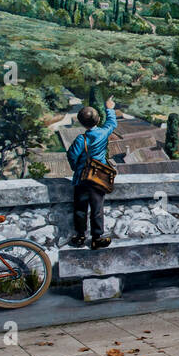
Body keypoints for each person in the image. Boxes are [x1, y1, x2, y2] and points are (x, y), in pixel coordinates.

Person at [67, 95, 117, 249]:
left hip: (82, 179)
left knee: (80, 208)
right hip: (98, 178)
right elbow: (112, 123)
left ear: (81, 122)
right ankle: (97, 237)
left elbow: (72, 156)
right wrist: (109, 109)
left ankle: (81, 236)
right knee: (97, 208)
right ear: (97, 120)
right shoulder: (103, 133)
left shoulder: (81, 140)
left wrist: (77, 169)